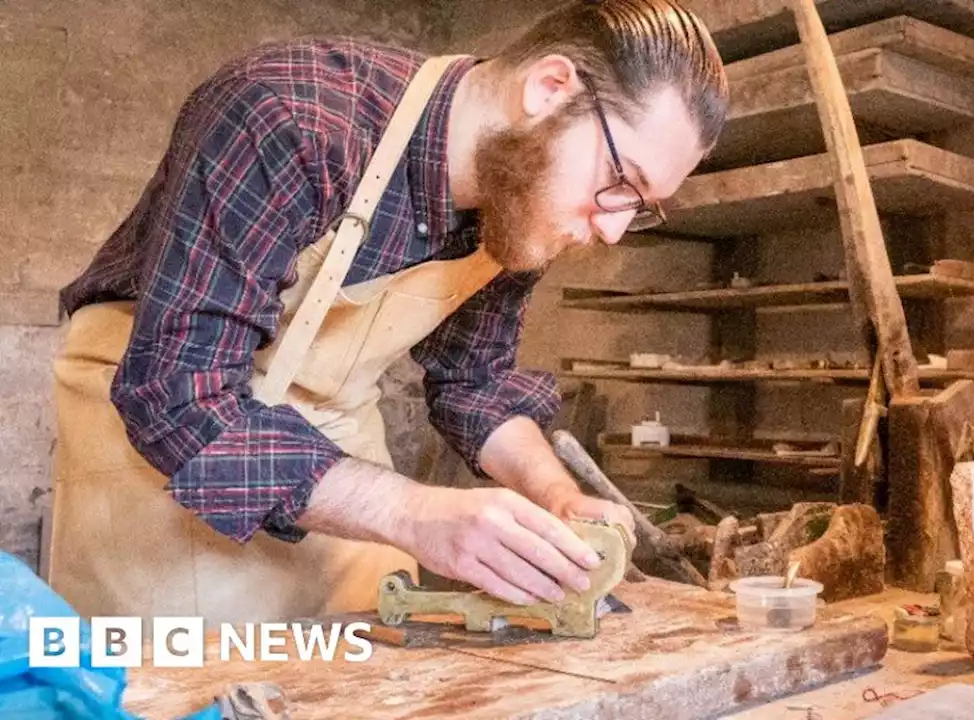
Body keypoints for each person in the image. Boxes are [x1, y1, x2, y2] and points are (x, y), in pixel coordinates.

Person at [46, 0, 729, 625]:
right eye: (621, 183)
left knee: (368, 675)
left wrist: (555, 496)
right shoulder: (291, 114)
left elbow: (475, 383)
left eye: (640, 207)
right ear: (551, 88)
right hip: (159, 451)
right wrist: (411, 512)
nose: (612, 229)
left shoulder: (525, 193)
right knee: (181, 690)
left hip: (335, 445)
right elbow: (177, 395)